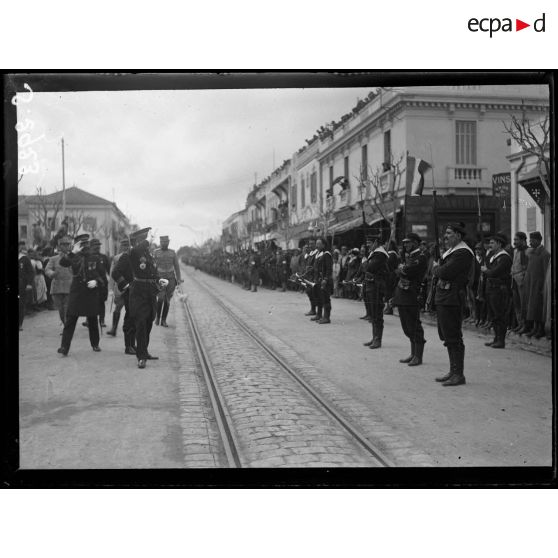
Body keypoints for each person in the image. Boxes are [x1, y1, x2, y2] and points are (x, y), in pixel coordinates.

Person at [432, 222, 474, 386]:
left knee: (453, 336)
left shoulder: (463, 253)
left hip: (453, 297)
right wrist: (439, 268)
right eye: (446, 233)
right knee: (447, 335)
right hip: (445, 296)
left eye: (449, 233)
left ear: (458, 235)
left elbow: (444, 272)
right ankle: (453, 371)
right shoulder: (452, 252)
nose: (445, 236)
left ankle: (459, 374)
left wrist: (437, 268)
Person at [58, 234, 104, 355]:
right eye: (81, 244)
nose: (84, 246)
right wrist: (73, 251)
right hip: (77, 291)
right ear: (77, 245)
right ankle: (64, 347)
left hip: (90, 292)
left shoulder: (95, 258)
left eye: (85, 244)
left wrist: (96, 282)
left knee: (93, 319)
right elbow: (63, 263)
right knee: (71, 319)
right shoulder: (73, 256)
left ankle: (95, 344)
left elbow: (103, 277)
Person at [128, 228, 168, 369]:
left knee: (149, 323)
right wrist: (147, 241)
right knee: (141, 324)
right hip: (139, 293)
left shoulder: (148, 255)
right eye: (144, 239)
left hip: (150, 292)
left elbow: (152, 271)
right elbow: (135, 251)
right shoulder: (134, 252)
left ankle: (144, 351)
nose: (148, 241)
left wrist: (160, 279)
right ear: (139, 241)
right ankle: (141, 357)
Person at [393, 232, 428, 366]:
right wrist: (402, 269)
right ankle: (413, 353)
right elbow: (399, 270)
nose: (405, 244)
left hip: (413, 294)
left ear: (415, 242)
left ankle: (418, 356)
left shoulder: (421, 257)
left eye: (408, 242)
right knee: (406, 326)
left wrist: (403, 269)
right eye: (405, 242)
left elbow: (408, 271)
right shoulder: (409, 256)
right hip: (403, 294)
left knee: (414, 325)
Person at [481, 233, 512, 349]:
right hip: (491, 288)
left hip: (500, 289)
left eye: (492, 243)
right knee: (493, 315)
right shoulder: (493, 256)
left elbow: (494, 272)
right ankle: (496, 338)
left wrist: (485, 270)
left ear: (499, 244)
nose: (490, 245)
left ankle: (501, 340)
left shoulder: (504, 258)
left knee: (500, 315)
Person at [107, 238, 135, 353]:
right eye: (124, 245)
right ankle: (114, 328)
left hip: (126, 287)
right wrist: (110, 289)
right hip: (121, 288)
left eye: (126, 245)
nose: (125, 247)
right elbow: (112, 273)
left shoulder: (131, 256)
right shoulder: (117, 258)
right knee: (119, 308)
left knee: (127, 312)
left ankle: (117, 331)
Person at [521, 231, 551, 339]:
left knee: (538, 308)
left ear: (539, 240)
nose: (530, 242)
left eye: (532, 240)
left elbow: (546, 272)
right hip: (531, 284)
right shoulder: (532, 253)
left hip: (539, 285)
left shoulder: (545, 254)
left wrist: (544, 287)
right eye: (530, 240)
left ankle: (540, 329)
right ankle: (534, 328)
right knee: (531, 307)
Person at [362, 234, 389, 349]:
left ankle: (378, 339)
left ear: (376, 242)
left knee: (377, 313)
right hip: (371, 286)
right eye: (367, 243)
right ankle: (374, 337)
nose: (368, 246)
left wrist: (364, 262)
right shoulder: (374, 253)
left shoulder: (380, 254)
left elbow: (369, 268)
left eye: (370, 243)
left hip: (377, 287)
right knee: (373, 313)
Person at [45, 235, 73, 330]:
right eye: (63, 245)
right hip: (57, 287)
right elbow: (47, 269)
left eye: (67, 244)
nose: (65, 246)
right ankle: (65, 323)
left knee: (66, 309)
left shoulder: (73, 258)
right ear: (59, 246)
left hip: (69, 287)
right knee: (60, 310)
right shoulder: (53, 259)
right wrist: (52, 273)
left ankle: (66, 327)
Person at [153, 235, 182, 327]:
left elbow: (177, 267)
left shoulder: (173, 253)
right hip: (160, 279)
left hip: (171, 278)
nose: (164, 244)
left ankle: (164, 320)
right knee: (160, 298)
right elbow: (153, 266)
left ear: (168, 242)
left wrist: (179, 278)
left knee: (167, 300)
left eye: (166, 242)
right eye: (162, 242)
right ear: (160, 242)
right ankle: (157, 318)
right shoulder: (155, 252)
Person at [89, 238, 110, 329]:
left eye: (98, 245)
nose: (97, 247)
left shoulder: (104, 257)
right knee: (90, 302)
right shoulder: (88, 257)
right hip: (91, 283)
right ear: (91, 246)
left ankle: (102, 320)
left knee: (101, 302)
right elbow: (90, 271)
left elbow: (109, 270)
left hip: (102, 283)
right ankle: (89, 320)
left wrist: (112, 282)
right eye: (95, 245)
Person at [510, 232, 528, 333]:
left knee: (523, 303)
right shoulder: (515, 251)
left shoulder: (527, 251)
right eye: (514, 240)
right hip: (514, 280)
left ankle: (525, 325)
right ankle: (520, 324)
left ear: (523, 240)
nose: (514, 242)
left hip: (522, 281)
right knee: (517, 304)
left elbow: (527, 268)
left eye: (516, 240)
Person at [314, 237, 333, 324]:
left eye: (318, 244)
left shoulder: (326, 254)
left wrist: (325, 279)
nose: (316, 245)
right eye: (316, 243)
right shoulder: (318, 254)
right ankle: (319, 315)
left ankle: (326, 317)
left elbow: (329, 269)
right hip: (319, 280)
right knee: (319, 297)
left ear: (323, 245)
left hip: (325, 281)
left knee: (326, 298)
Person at [18, 241, 35, 331]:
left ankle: (20, 324)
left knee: (20, 304)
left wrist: (29, 283)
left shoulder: (25, 259)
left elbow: (31, 272)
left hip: (21, 286)